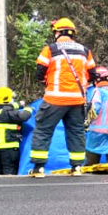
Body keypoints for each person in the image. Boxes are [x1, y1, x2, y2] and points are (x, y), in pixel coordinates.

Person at [30, 18, 97, 178]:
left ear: (57, 32)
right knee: (76, 132)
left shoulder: (50, 49)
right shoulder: (84, 51)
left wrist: (47, 82)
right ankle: (76, 168)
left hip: (54, 99)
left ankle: (39, 169)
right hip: (77, 101)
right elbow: (93, 74)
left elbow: (40, 71)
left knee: (43, 130)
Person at [0, 87, 33, 175]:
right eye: (11, 97)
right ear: (6, 98)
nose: (12, 99)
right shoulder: (8, 113)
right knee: (9, 169)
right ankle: (8, 187)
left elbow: (8, 106)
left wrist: (19, 104)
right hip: (7, 147)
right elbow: (24, 116)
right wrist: (29, 109)